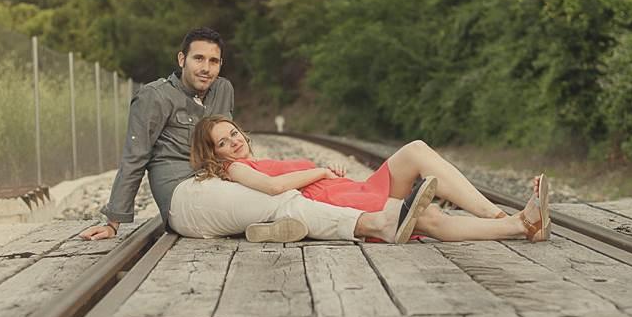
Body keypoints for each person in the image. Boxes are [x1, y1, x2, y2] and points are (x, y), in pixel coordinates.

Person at [79, 27, 434, 244]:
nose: (206, 68)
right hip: (185, 194)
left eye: (214, 61)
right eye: (198, 59)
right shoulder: (153, 97)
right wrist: (113, 220)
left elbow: (236, 150)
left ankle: (271, 226)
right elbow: (134, 158)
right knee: (280, 199)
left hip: (222, 181)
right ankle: (378, 223)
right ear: (182, 58)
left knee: (287, 190)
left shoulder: (222, 91)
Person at [190, 115, 552, 242]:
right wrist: (319, 171)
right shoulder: (232, 169)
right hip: (337, 203)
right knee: (424, 218)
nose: (234, 143)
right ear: (215, 154)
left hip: (350, 188)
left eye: (233, 133)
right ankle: (521, 226)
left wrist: (327, 175)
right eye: (223, 142)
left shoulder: (262, 157)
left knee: (416, 150)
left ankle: (496, 216)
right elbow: (272, 188)